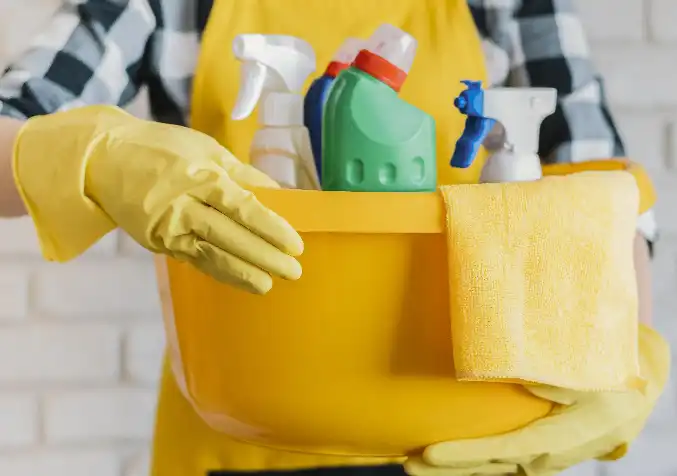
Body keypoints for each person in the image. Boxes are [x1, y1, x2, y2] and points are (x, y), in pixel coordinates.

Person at [0, 0, 657, 475]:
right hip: (232, 442)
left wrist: (632, 351)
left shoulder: (502, 7)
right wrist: (95, 154)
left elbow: (605, 189)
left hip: (470, 444)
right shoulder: (173, 7)